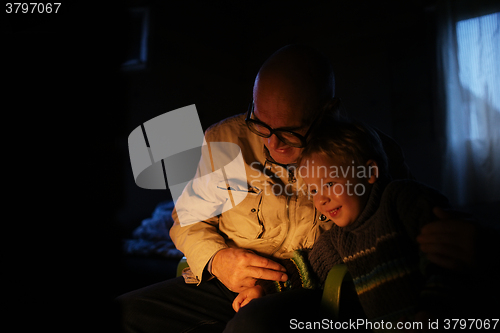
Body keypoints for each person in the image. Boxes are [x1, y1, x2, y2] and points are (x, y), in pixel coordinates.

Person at [116, 44, 482, 333]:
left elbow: (412, 218)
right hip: (230, 282)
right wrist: (217, 259)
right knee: (125, 314)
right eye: (261, 124)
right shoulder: (224, 141)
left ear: (328, 111)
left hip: (313, 290)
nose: (274, 144)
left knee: (256, 324)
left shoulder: (370, 151)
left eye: (290, 132)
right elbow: (185, 221)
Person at [232, 119, 469, 326]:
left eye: (330, 184)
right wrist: (262, 288)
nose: (321, 199)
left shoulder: (401, 199)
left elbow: (447, 261)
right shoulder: (338, 239)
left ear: (369, 172)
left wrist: (429, 313)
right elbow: (303, 270)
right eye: (313, 190)